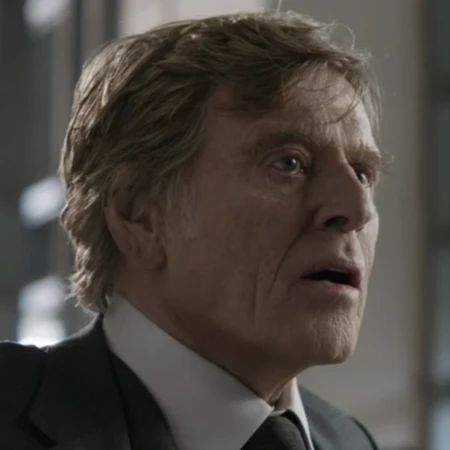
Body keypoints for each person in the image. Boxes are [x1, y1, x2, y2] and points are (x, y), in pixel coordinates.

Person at [0, 10, 387, 450]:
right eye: (288, 163)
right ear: (138, 215)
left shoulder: (352, 441)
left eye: (362, 174)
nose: (356, 209)